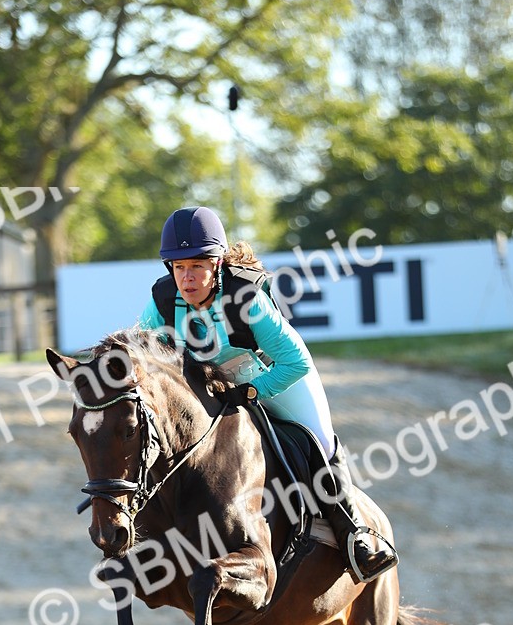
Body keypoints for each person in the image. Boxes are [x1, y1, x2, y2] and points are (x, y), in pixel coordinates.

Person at [137, 205, 398, 583]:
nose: (187, 278)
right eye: (178, 267)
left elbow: (295, 363)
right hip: (217, 387)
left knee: (318, 443)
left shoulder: (247, 298)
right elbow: (140, 355)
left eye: (197, 266)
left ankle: (354, 536)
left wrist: (252, 391)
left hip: (275, 375)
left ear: (217, 263)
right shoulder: (163, 301)